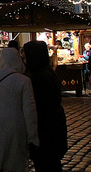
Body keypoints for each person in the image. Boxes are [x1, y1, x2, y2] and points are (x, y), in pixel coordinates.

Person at [0, 47, 39, 172]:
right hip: (13, 123)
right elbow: (29, 110)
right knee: (11, 160)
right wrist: (32, 137)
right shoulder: (24, 80)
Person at [23, 40, 68, 171]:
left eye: (26, 56)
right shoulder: (47, 72)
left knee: (46, 164)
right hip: (54, 125)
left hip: (45, 129)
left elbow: (37, 104)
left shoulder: (38, 77)